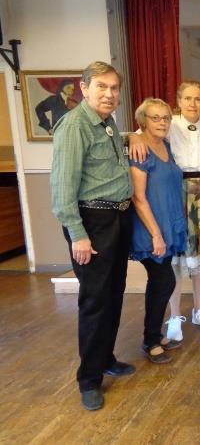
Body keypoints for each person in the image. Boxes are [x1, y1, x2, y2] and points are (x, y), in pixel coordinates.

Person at [51, 61, 134, 411]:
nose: (110, 94)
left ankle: (106, 358)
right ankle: (88, 380)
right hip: (92, 223)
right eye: (102, 86)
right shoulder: (74, 126)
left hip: (117, 218)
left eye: (114, 88)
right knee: (95, 301)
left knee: (114, 295)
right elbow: (62, 189)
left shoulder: (109, 123)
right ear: (84, 89)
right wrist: (78, 236)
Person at [131, 81, 200, 340]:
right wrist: (132, 136)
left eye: (198, 99)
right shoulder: (167, 124)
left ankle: (198, 309)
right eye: (188, 98)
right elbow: (139, 135)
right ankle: (175, 315)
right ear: (179, 100)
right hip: (176, 193)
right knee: (175, 257)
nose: (193, 104)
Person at [129, 98, 186, 363]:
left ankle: (154, 334)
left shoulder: (165, 145)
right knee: (164, 280)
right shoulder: (139, 150)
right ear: (143, 121)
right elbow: (138, 198)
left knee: (161, 281)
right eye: (156, 117)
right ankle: (150, 340)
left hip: (168, 223)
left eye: (166, 117)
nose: (162, 122)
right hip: (151, 229)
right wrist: (156, 234)